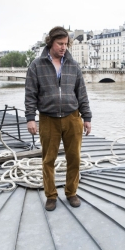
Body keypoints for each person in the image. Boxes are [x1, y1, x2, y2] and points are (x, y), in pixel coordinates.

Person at [25, 27, 92, 211]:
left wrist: (87, 117)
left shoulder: (73, 65)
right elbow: (30, 94)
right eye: (60, 44)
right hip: (48, 119)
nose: (64, 47)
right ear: (50, 43)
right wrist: (30, 118)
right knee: (48, 160)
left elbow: (81, 93)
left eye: (66, 44)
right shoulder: (36, 65)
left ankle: (71, 192)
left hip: (72, 117)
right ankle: (51, 195)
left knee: (75, 158)